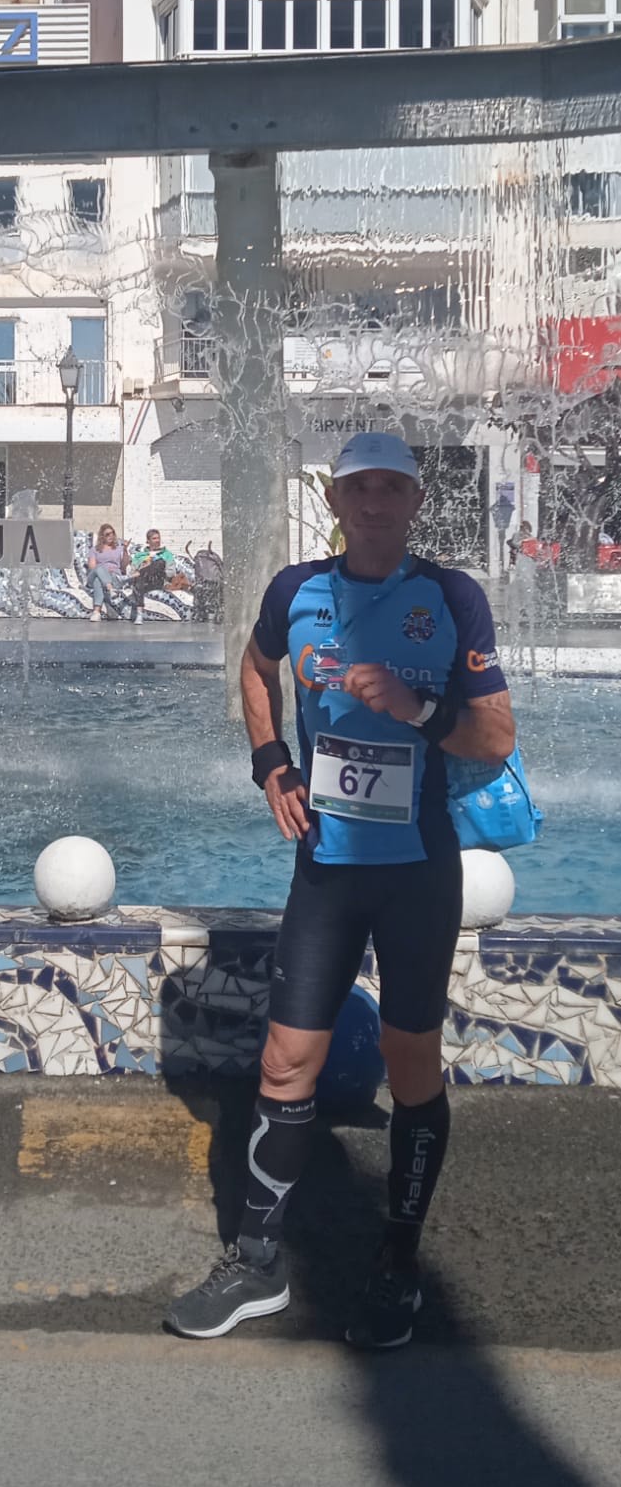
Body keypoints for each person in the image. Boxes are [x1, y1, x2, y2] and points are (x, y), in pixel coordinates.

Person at [166, 431, 515, 1351]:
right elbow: (254, 668)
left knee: (410, 1066)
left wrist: (414, 707)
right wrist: (269, 763)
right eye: (358, 488)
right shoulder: (295, 592)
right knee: (285, 1065)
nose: (373, 503)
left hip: (416, 874)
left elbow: (494, 737)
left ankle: (397, 1262)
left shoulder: (450, 598)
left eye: (391, 488)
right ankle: (257, 1263)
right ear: (334, 500)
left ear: (414, 501)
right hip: (325, 871)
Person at [128, 528, 175, 623]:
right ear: (148, 541)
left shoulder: (167, 554)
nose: (157, 540)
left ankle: (126, 579)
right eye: (154, 538)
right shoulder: (140, 555)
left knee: (159, 562)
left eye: (158, 538)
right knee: (139, 579)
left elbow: (171, 572)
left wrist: (154, 566)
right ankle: (139, 614)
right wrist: (144, 565)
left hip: (158, 580)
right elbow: (133, 572)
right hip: (143, 582)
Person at [86, 523, 128, 620]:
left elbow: (124, 566)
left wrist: (125, 550)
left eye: (112, 533)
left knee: (98, 580)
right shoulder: (94, 550)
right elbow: (92, 567)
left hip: (113, 577)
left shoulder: (119, 549)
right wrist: (104, 570)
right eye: (107, 534)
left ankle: (96, 612)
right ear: (102, 536)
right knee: (99, 568)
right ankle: (110, 588)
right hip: (95, 574)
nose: (111, 536)